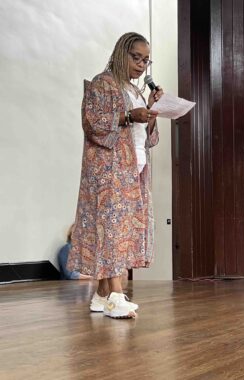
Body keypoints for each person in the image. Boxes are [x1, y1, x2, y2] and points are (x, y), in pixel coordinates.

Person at [67, 32, 163, 319]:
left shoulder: (134, 90)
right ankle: (117, 296)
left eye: (146, 60)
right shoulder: (103, 83)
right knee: (112, 229)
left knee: (121, 228)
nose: (141, 65)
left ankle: (102, 294)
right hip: (109, 170)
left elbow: (147, 137)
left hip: (134, 166)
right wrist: (130, 116)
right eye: (136, 57)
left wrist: (152, 111)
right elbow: (93, 124)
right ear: (122, 53)